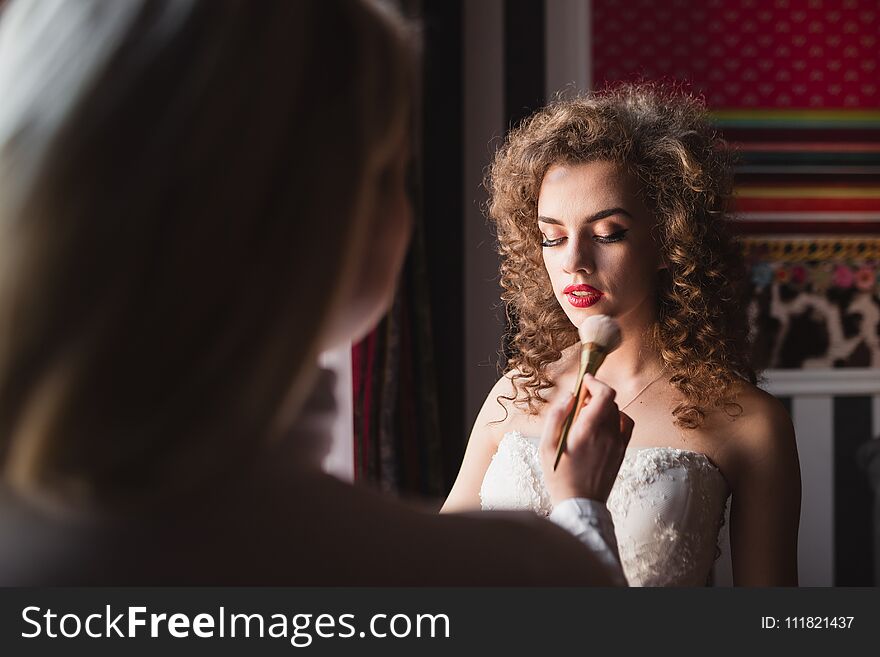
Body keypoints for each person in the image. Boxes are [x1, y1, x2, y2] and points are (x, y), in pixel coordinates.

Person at [0, 0, 633, 585]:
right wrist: (579, 515)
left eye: (608, 232)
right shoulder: (513, 573)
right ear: (317, 219)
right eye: (389, 172)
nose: (574, 260)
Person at [441, 83, 802, 587]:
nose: (574, 263)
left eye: (608, 233)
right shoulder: (517, 392)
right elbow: (436, 574)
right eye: (553, 236)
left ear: (669, 239)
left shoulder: (750, 424)